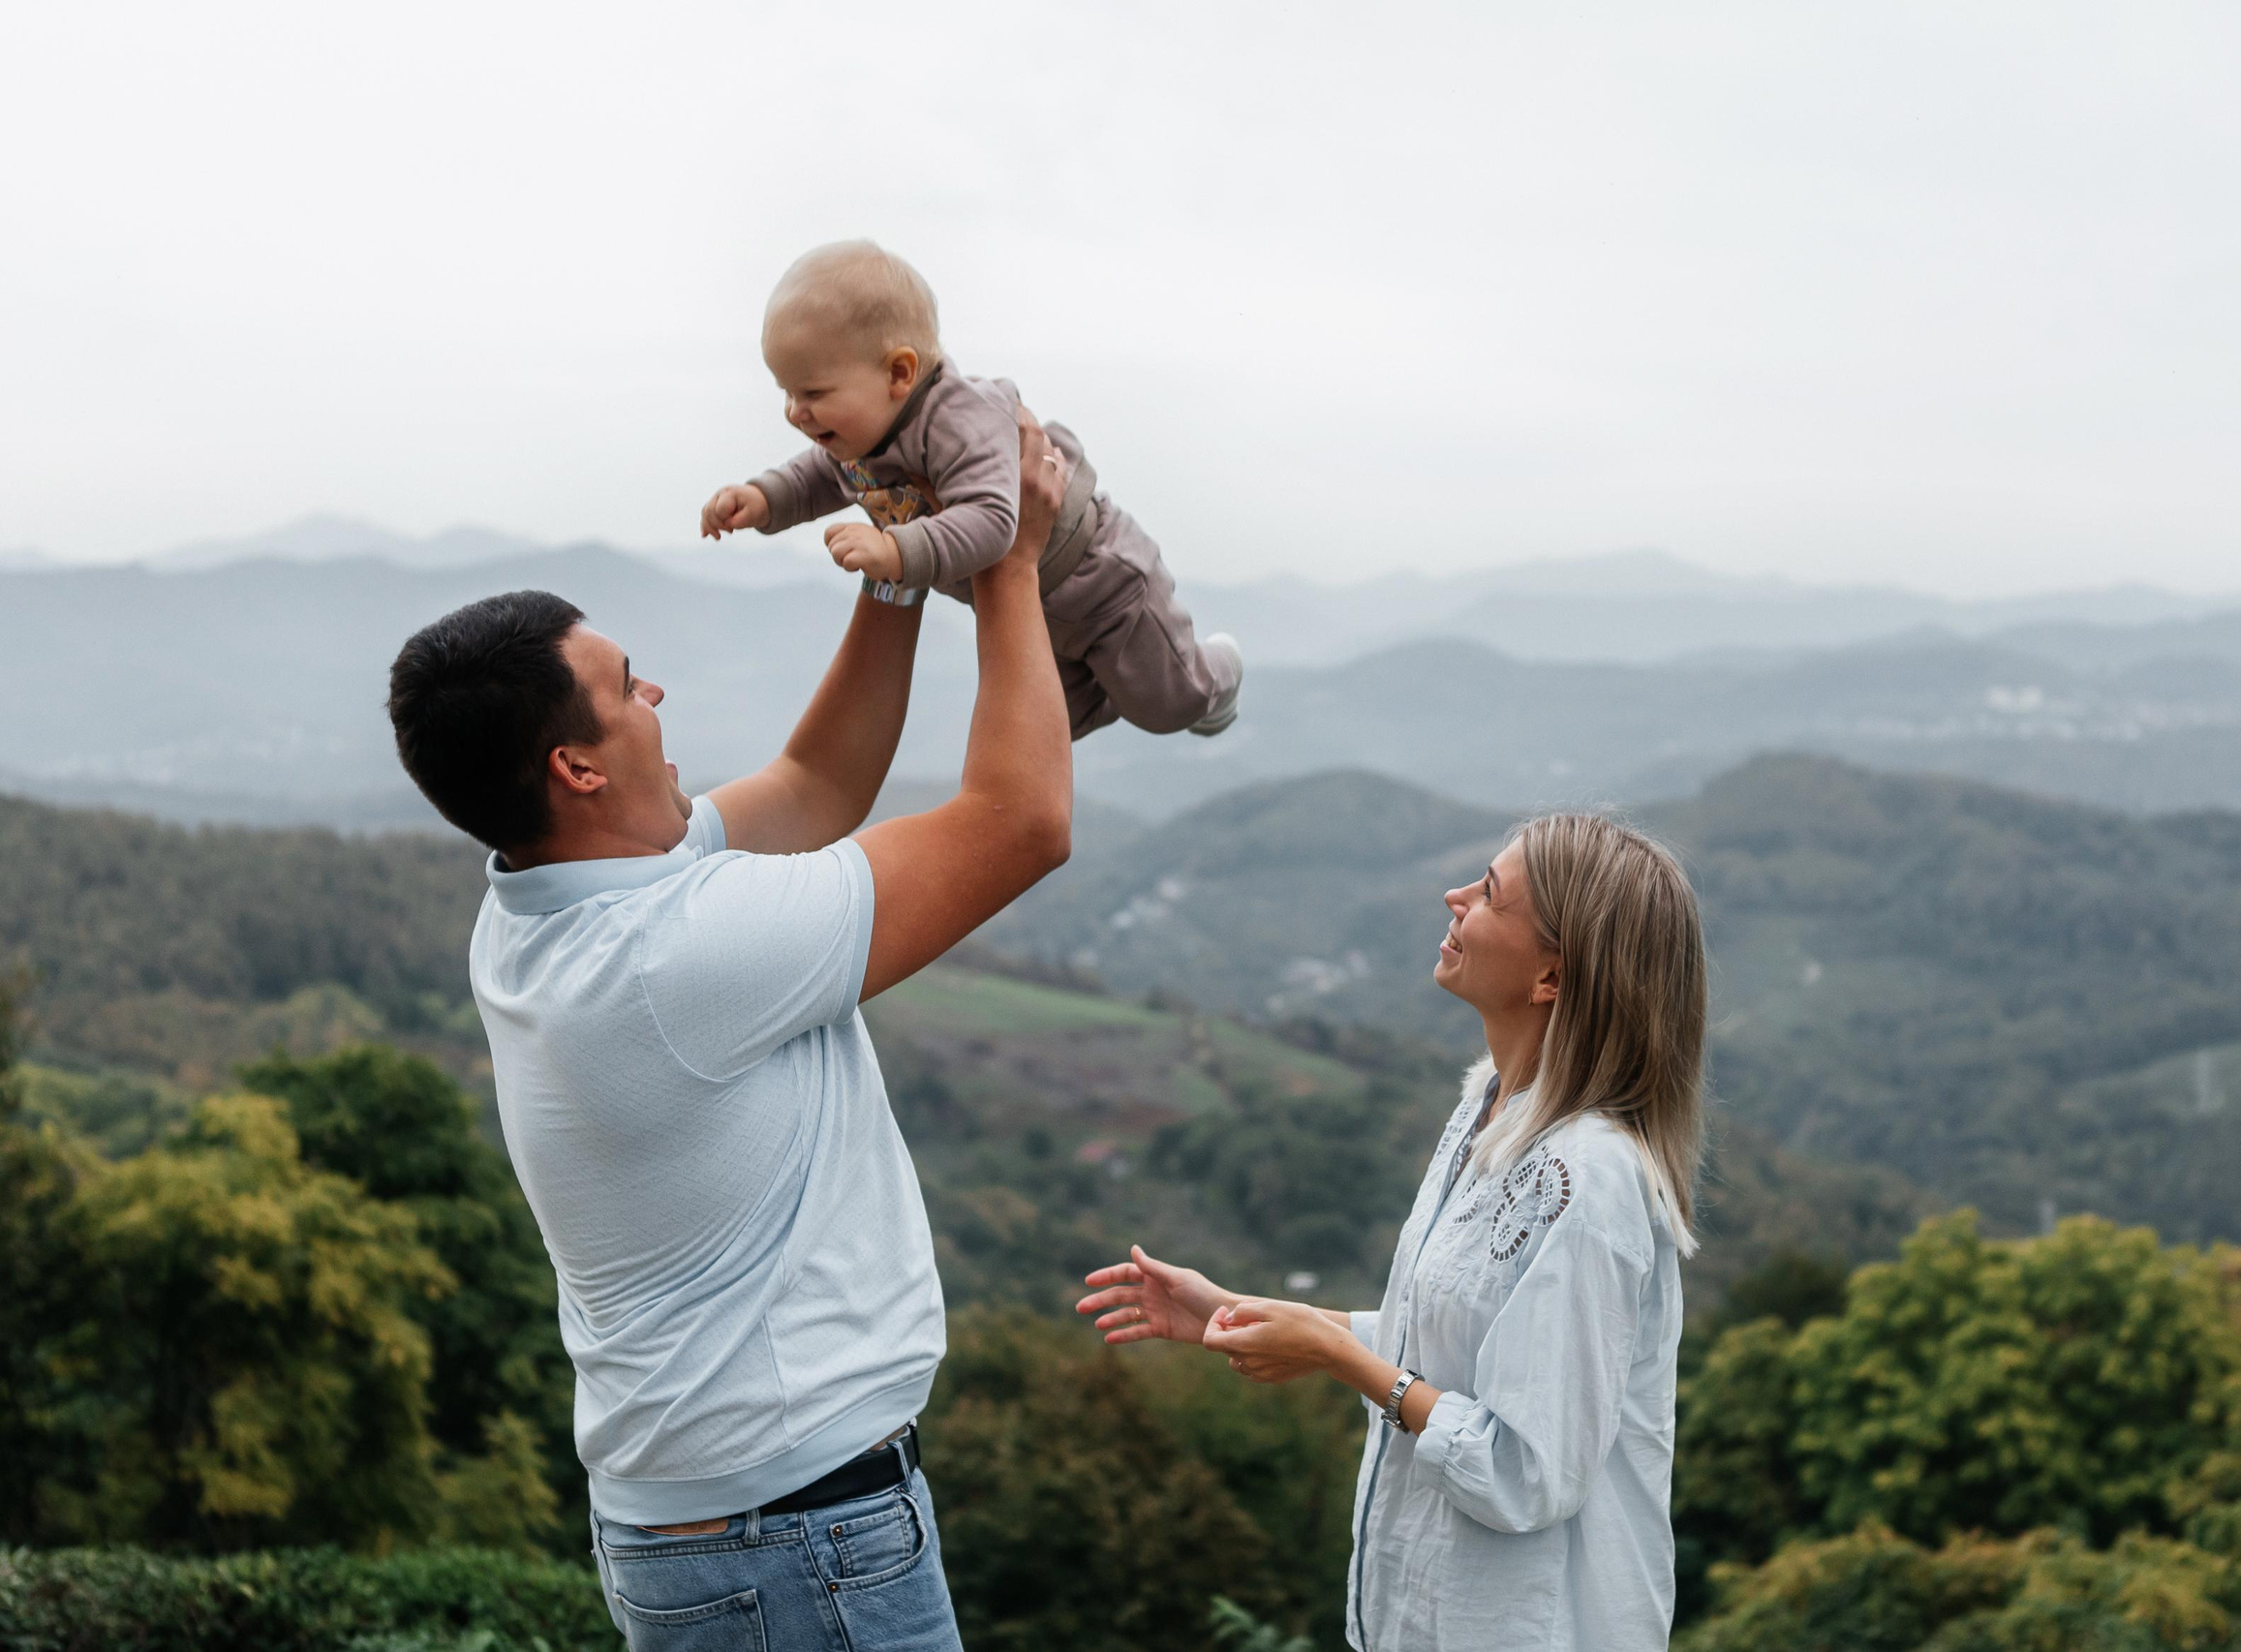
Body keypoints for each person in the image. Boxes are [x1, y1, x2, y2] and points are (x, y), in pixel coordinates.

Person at [384, 414, 1075, 1651]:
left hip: (725, 1531)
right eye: (624, 687)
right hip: (795, 1536)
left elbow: (818, 785)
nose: (654, 697)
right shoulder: (674, 955)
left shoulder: (546, 904)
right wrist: (1009, 560)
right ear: (577, 769)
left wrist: (908, 557)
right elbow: (1022, 819)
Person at [1078, 814, 1706, 1652]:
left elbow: (1526, 1473)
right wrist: (1249, 1312)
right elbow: (1452, 1345)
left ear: (1552, 975)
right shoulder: (1487, 1109)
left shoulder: (1588, 1182)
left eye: (1487, 894)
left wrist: (1339, 1356)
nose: (1453, 897)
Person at [698, 238, 1243, 742]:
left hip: (1100, 584)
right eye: (787, 392)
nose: (795, 412)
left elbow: (992, 520)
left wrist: (895, 550)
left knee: (1170, 706)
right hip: (1034, 609)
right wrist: (765, 499)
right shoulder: (862, 440)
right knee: (1051, 727)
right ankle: (1121, 679)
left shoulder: (959, 418)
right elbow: (819, 475)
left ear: (899, 373)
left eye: (812, 391)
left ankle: (1218, 671)